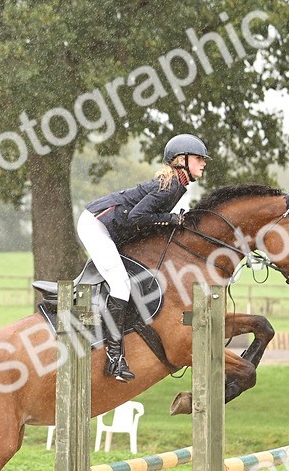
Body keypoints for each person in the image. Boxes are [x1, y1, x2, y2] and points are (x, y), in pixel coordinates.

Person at [78, 133, 210, 381]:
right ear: (181, 160)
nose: (204, 163)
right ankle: (114, 358)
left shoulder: (176, 185)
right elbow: (135, 217)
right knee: (121, 284)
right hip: (96, 225)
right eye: (199, 158)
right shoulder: (170, 186)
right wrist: (172, 219)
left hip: (110, 225)